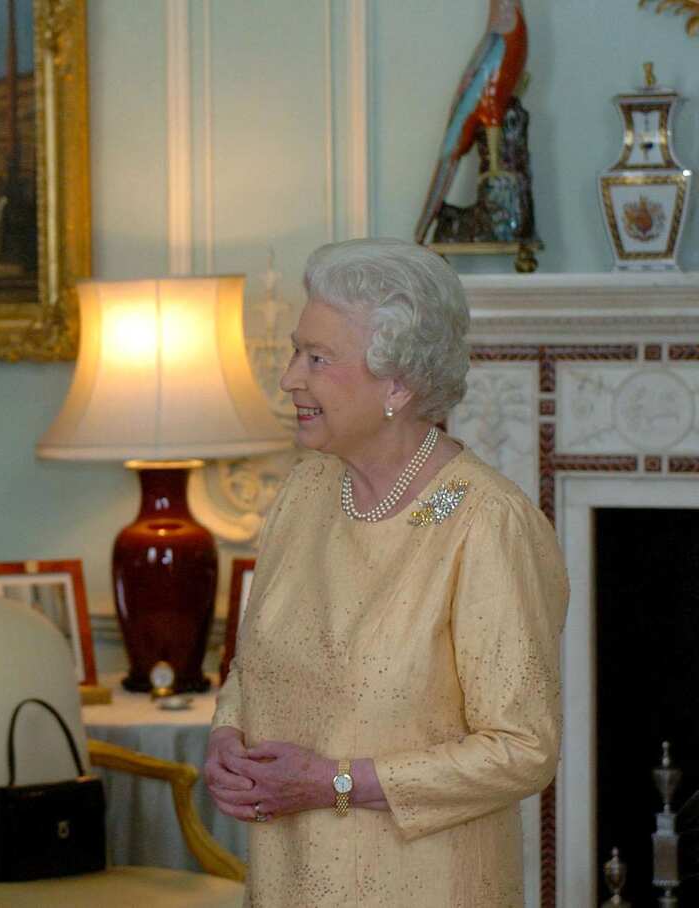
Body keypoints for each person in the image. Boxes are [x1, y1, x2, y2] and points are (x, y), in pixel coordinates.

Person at [205, 238, 568, 906]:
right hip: (289, 878)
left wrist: (335, 783)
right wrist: (228, 734)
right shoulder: (306, 491)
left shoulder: (488, 524)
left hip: (426, 883)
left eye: (317, 359)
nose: (290, 378)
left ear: (397, 381)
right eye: (296, 351)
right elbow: (253, 667)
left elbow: (523, 749)